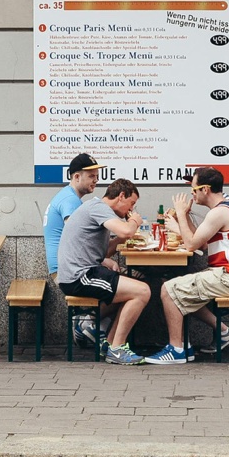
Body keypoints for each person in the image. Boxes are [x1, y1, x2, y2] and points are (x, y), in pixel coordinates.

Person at [144, 167, 229, 365]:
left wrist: (178, 215)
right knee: (177, 286)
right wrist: (184, 218)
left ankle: (176, 350)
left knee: (168, 290)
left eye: (194, 190)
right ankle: (217, 334)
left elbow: (192, 245)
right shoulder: (224, 208)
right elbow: (201, 242)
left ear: (206, 190)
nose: (191, 194)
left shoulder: (220, 212)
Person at [56, 178, 151, 365]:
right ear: (121, 196)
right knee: (142, 291)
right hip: (79, 276)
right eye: (131, 203)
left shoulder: (100, 210)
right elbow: (125, 231)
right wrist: (133, 221)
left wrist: (120, 241)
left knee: (131, 291)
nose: (130, 209)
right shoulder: (98, 207)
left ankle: (110, 345)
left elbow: (103, 253)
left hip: (84, 272)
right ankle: (117, 349)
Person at [43, 153, 117, 348]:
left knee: (122, 282)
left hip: (64, 266)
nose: (97, 180)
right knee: (125, 285)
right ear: (76, 177)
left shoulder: (68, 197)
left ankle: (92, 324)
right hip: (67, 270)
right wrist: (104, 260)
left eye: (97, 175)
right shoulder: (70, 202)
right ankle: (88, 323)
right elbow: (78, 241)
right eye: (92, 176)